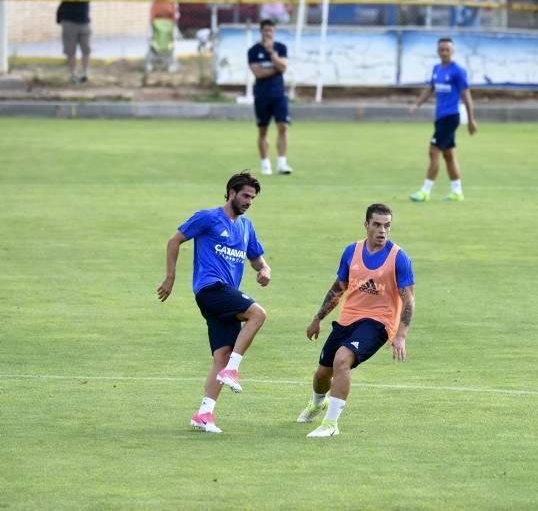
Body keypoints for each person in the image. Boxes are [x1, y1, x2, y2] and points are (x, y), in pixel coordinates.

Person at [157, 172, 271, 434]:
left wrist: (264, 269)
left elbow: (256, 258)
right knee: (258, 314)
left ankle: (204, 413)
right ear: (231, 192)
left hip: (226, 295)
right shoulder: (208, 217)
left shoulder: (246, 227)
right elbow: (175, 240)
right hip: (211, 289)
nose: (249, 201)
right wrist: (170, 277)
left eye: (252, 197)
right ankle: (233, 370)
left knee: (221, 355)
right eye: (245, 195)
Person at [297, 203, 415, 438]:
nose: (382, 231)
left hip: (379, 323)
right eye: (377, 225)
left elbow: (408, 300)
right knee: (322, 374)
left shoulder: (398, 258)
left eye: (387, 226)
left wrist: (400, 334)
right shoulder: (351, 251)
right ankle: (318, 403)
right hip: (348, 320)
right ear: (366, 225)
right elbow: (338, 289)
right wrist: (317, 318)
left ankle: (331, 424)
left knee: (343, 359)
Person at [409, 37, 477, 202]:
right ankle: (457, 191)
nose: (444, 52)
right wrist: (417, 104)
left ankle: (425, 191)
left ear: (452, 51)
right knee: (449, 155)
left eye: (447, 49)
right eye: (442, 49)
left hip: (451, 117)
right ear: (438, 51)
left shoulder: (458, 71)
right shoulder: (436, 69)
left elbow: (466, 95)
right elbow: (430, 89)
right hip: (440, 117)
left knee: (433, 151)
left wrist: (471, 119)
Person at [248, 19, 292, 176]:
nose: (268, 33)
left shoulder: (280, 48)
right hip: (261, 95)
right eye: (266, 30)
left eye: (271, 31)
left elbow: (284, 66)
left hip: (279, 94)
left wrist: (272, 55)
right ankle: (265, 164)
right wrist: (277, 69)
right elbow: (258, 73)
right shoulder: (253, 51)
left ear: (274, 32)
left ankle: (282, 163)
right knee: (263, 130)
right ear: (261, 31)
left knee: (283, 126)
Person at [57, 0, 105, 84]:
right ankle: (72, 75)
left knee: (86, 49)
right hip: (69, 21)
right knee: (71, 51)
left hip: (84, 21)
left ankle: (84, 73)